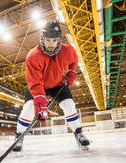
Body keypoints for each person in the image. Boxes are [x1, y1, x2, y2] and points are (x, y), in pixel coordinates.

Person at [12, 20, 90, 152]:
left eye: (54, 41)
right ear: (42, 40)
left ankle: (78, 133)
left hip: (58, 84)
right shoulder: (33, 56)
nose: (51, 45)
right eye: (48, 40)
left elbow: (74, 58)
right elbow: (35, 82)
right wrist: (40, 104)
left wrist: (71, 72)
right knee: (29, 108)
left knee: (69, 104)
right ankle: (18, 137)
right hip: (38, 85)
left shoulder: (68, 50)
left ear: (59, 40)